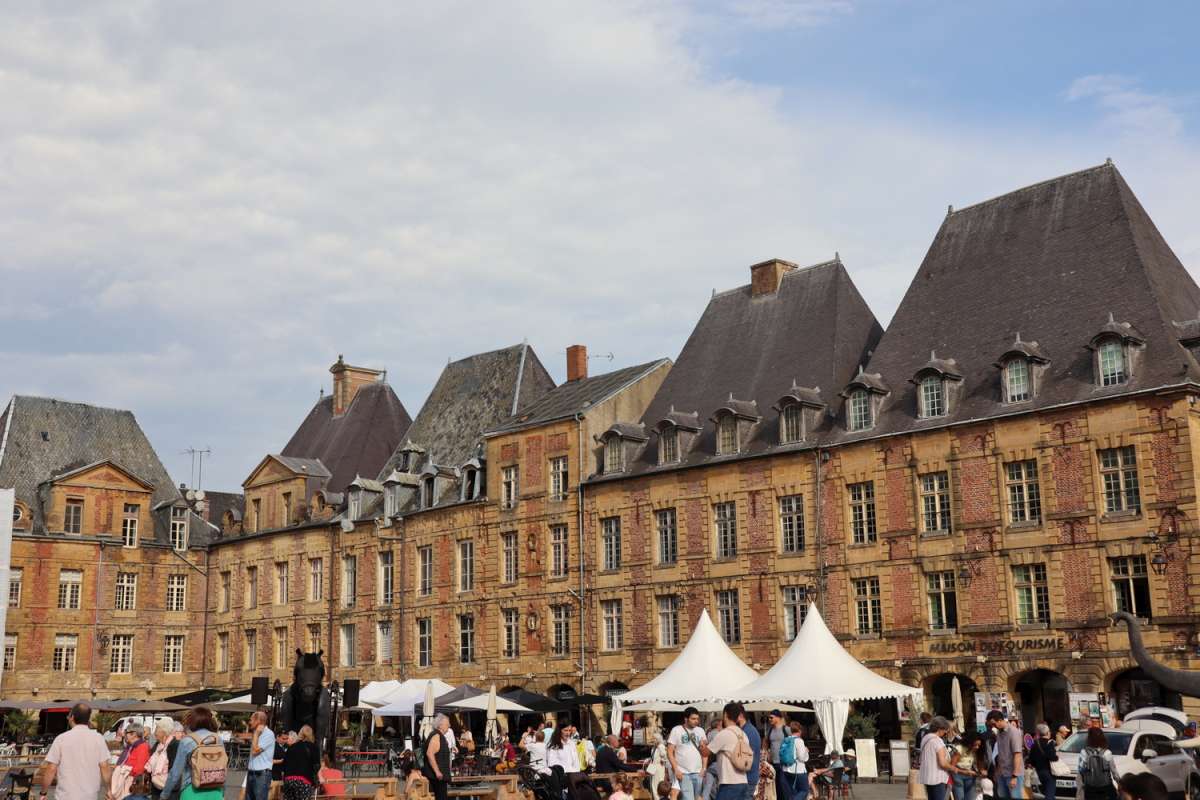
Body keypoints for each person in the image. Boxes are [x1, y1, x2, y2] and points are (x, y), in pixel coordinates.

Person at [37, 703, 114, 800]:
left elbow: (51, 768)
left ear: (72, 717)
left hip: (65, 795)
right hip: (90, 796)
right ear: (88, 719)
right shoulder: (98, 739)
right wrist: (109, 790)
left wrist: (43, 792)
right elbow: (105, 766)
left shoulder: (61, 739)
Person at [160, 707, 223, 800]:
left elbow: (175, 773)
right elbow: (222, 766)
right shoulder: (218, 739)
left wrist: (164, 794)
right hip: (215, 790)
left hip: (192, 790)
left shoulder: (187, 741)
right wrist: (223, 792)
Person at [706, 702, 751, 800]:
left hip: (729, 783)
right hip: (743, 782)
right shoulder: (743, 735)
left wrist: (701, 744)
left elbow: (706, 752)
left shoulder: (724, 734)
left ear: (725, 715)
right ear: (738, 717)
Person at [668, 707, 708, 800]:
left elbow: (705, 752)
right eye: (693, 719)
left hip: (698, 772)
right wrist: (676, 769)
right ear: (686, 719)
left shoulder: (700, 731)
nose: (696, 721)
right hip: (683, 772)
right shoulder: (676, 730)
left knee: (697, 798)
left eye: (697, 719)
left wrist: (704, 768)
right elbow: (669, 752)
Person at [986, 711, 1024, 800]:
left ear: (1000, 720)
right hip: (1002, 773)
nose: (993, 727)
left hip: (1013, 773)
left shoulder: (1013, 732)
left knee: (1015, 797)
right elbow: (1001, 754)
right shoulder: (999, 733)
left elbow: (1017, 755)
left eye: (994, 724)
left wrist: (1015, 776)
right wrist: (997, 771)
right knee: (1002, 796)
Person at [113, 722, 153, 800]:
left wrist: (123, 770)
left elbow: (139, 770)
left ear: (134, 734)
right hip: (126, 782)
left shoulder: (142, 747)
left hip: (132, 784)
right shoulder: (131, 746)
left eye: (126, 732)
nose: (125, 734)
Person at [918, 717, 955, 800]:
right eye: (945, 730)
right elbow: (942, 763)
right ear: (940, 729)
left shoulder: (925, 738)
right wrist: (953, 768)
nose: (945, 732)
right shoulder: (937, 741)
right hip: (938, 777)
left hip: (927, 776)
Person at [281, 726, 321, 800]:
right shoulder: (313, 747)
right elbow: (317, 766)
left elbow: (284, 765)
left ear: (300, 734)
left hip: (288, 780)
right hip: (304, 780)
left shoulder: (292, 747)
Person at [1076, 728, 1116, 800]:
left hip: (1090, 788)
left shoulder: (1084, 752)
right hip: (1106, 788)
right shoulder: (1107, 752)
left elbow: (1080, 771)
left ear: (1089, 738)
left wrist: (1080, 791)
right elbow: (1114, 771)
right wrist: (1120, 784)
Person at [246, 711, 275, 800]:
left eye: (251, 720)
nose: (249, 722)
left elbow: (255, 751)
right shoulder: (257, 733)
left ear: (258, 721)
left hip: (261, 774)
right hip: (252, 772)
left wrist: (256, 734)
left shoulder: (268, 734)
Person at [423, 715, 453, 800]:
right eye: (447, 724)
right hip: (437, 776)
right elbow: (430, 753)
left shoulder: (438, 735)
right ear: (440, 725)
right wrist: (437, 771)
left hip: (439, 776)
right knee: (441, 797)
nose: (449, 725)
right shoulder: (436, 735)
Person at [949, 730, 983, 800]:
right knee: (960, 797)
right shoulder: (960, 749)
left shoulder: (975, 751)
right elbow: (952, 767)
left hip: (969, 776)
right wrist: (965, 772)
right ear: (969, 742)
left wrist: (980, 771)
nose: (977, 747)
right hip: (958, 776)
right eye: (975, 745)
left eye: (978, 745)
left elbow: (976, 763)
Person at [736, 708, 762, 799]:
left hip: (747, 778)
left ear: (740, 716)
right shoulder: (747, 730)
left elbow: (747, 757)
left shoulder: (748, 732)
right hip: (748, 777)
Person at [779, 722, 809, 800]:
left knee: (793, 793)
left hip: (786, 770)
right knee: (804, 791)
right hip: (798, 770)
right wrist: (806, 751)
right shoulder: (799, 741)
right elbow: (802, 758)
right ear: (800, 730)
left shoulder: (785, 740)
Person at [1027, 724, 1057, 799]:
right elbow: (1052, 757)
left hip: (1039, 772)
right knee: (1050, 794)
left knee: (1048, 793)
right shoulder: (1050, 743)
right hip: (1049, 772)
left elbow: (1031, 760)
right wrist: (1057, 757)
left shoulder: (1034, 744)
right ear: (1047, 733)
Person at [147, 718, 175, 796]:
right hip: (156, 787)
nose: (154, 732)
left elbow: (174, 769)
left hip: (169, 790)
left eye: (157, 729)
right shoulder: (157, 745)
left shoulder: (174, 745)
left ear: (164, 731)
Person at [766, 712, 787, 800]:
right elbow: (766, 741)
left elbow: (795, 739)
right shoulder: (770, 730)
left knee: (783, 785)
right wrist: (766, 752)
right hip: (772, 762)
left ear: (778, 718)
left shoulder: (786, 729)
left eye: (771, 717)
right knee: (775, 785)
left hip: (783, 762)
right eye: (769, 718)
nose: (769, 719)